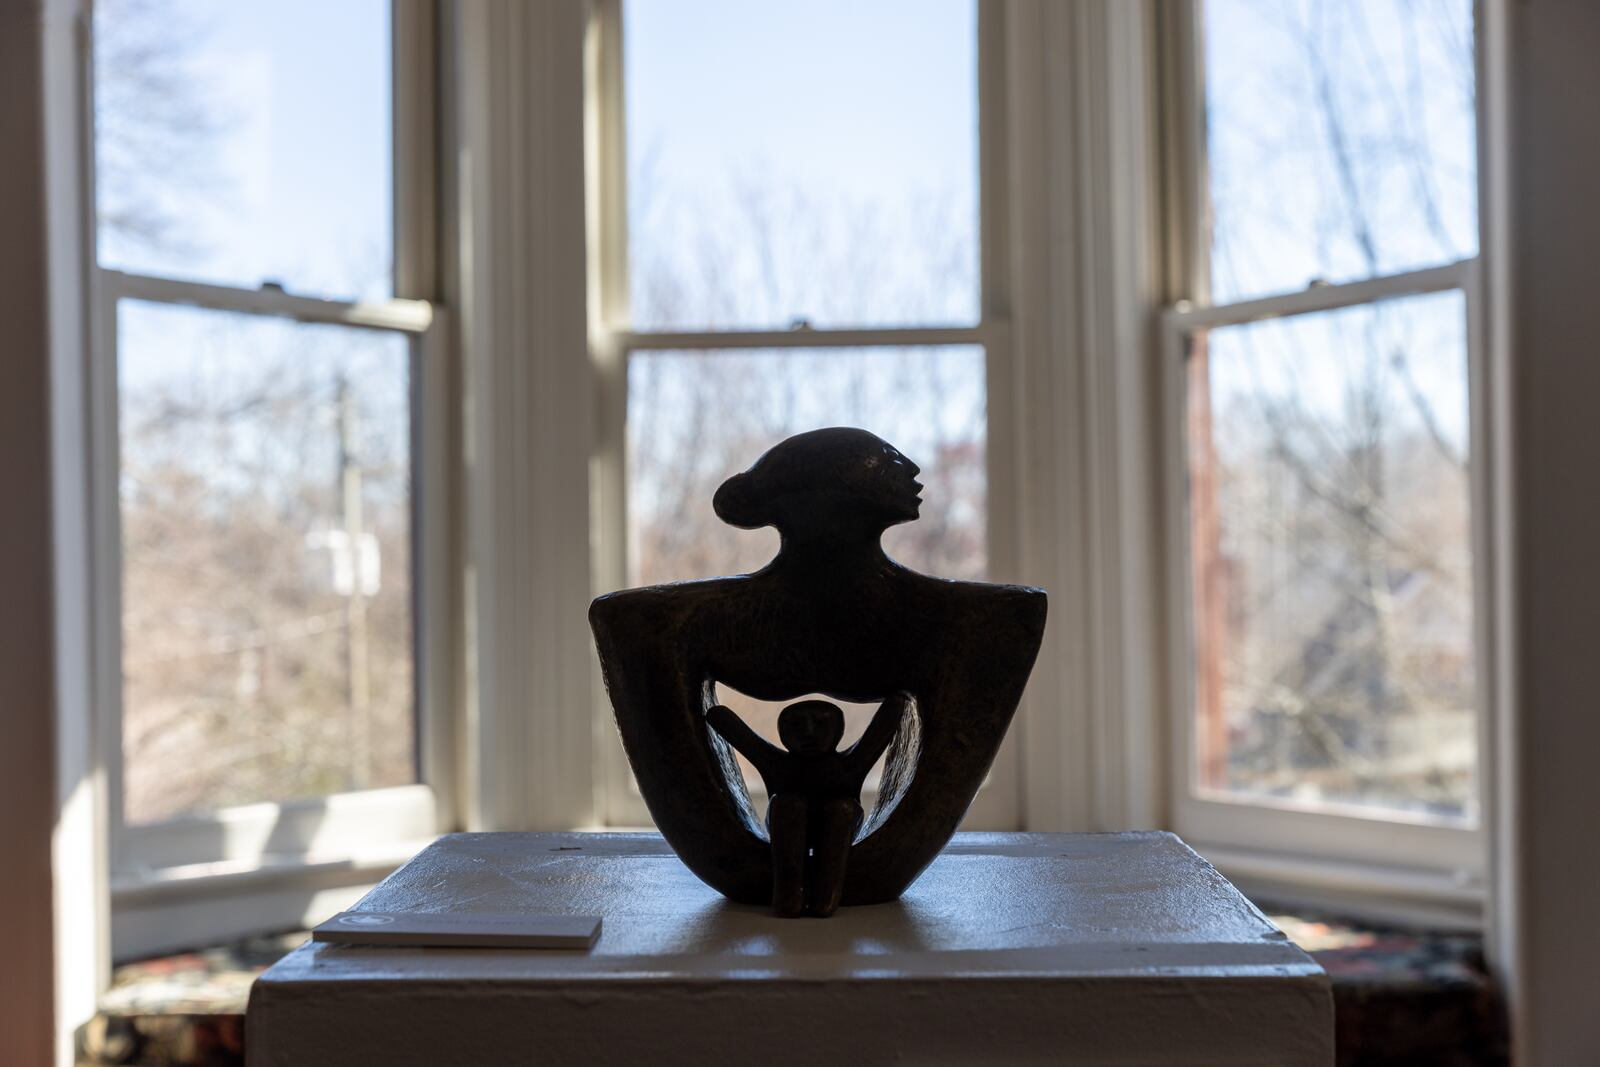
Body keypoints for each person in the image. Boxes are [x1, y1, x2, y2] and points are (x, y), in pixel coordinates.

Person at [590, 427, 1047, 910]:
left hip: (857, 851)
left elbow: (901, 755)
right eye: (885, 459)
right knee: (788, 813)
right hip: (763, 856)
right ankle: (793, 889)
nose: (910, 470)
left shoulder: (981, 622)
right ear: (827, 493)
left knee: (820, 818)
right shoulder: (661, 623)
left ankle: (809, 887)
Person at [706, 694, 908, 917]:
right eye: (796, 726)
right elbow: (740, 735)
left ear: (838, 731)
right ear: (782, 732)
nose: (809, 733)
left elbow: (878, 733)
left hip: (838, 826)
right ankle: (789, 892)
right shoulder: (777, 765)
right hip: (787, 824)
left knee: (840, 809)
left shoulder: (849, 765)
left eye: (820, 725)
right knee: (787, 805)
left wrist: (898, 701)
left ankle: (828, 893)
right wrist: (711, 711)